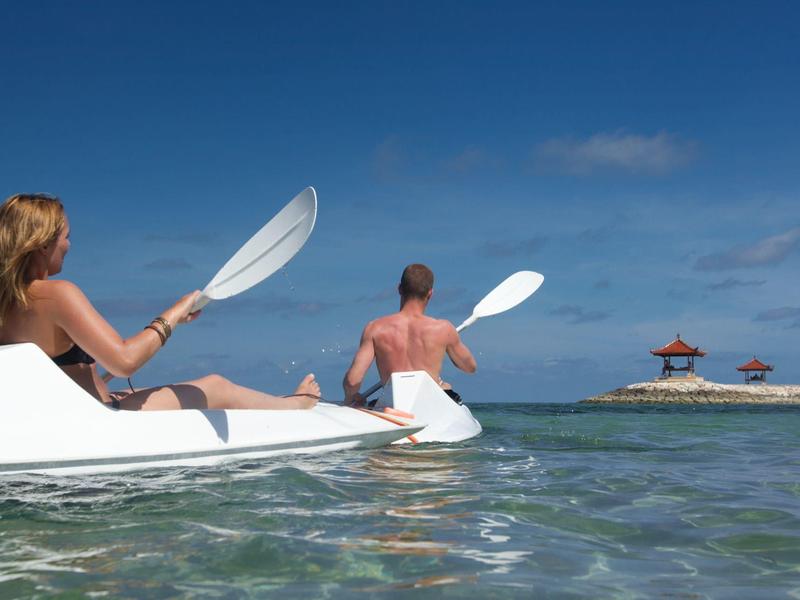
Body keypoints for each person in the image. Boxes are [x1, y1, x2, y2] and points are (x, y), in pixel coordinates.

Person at [0, 193, 319, 411]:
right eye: (66, 236)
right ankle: (295, 404)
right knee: (216, 385)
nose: (69, 245)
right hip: (101, 415)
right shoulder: (57, 294)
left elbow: (59, 369)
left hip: (73, 409)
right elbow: (123, 361)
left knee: (139, 390)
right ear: (42, 245)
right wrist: (174, 313)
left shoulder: (7, 304)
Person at [343, 263, 476, 406]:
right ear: (430, 293)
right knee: (446, 387)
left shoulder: (375, 328)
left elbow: (352, 381)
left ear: (400, 289)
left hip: (394, 404)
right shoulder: (443, 329)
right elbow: (470, 367)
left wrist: (352, 397)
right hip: (430, 403)